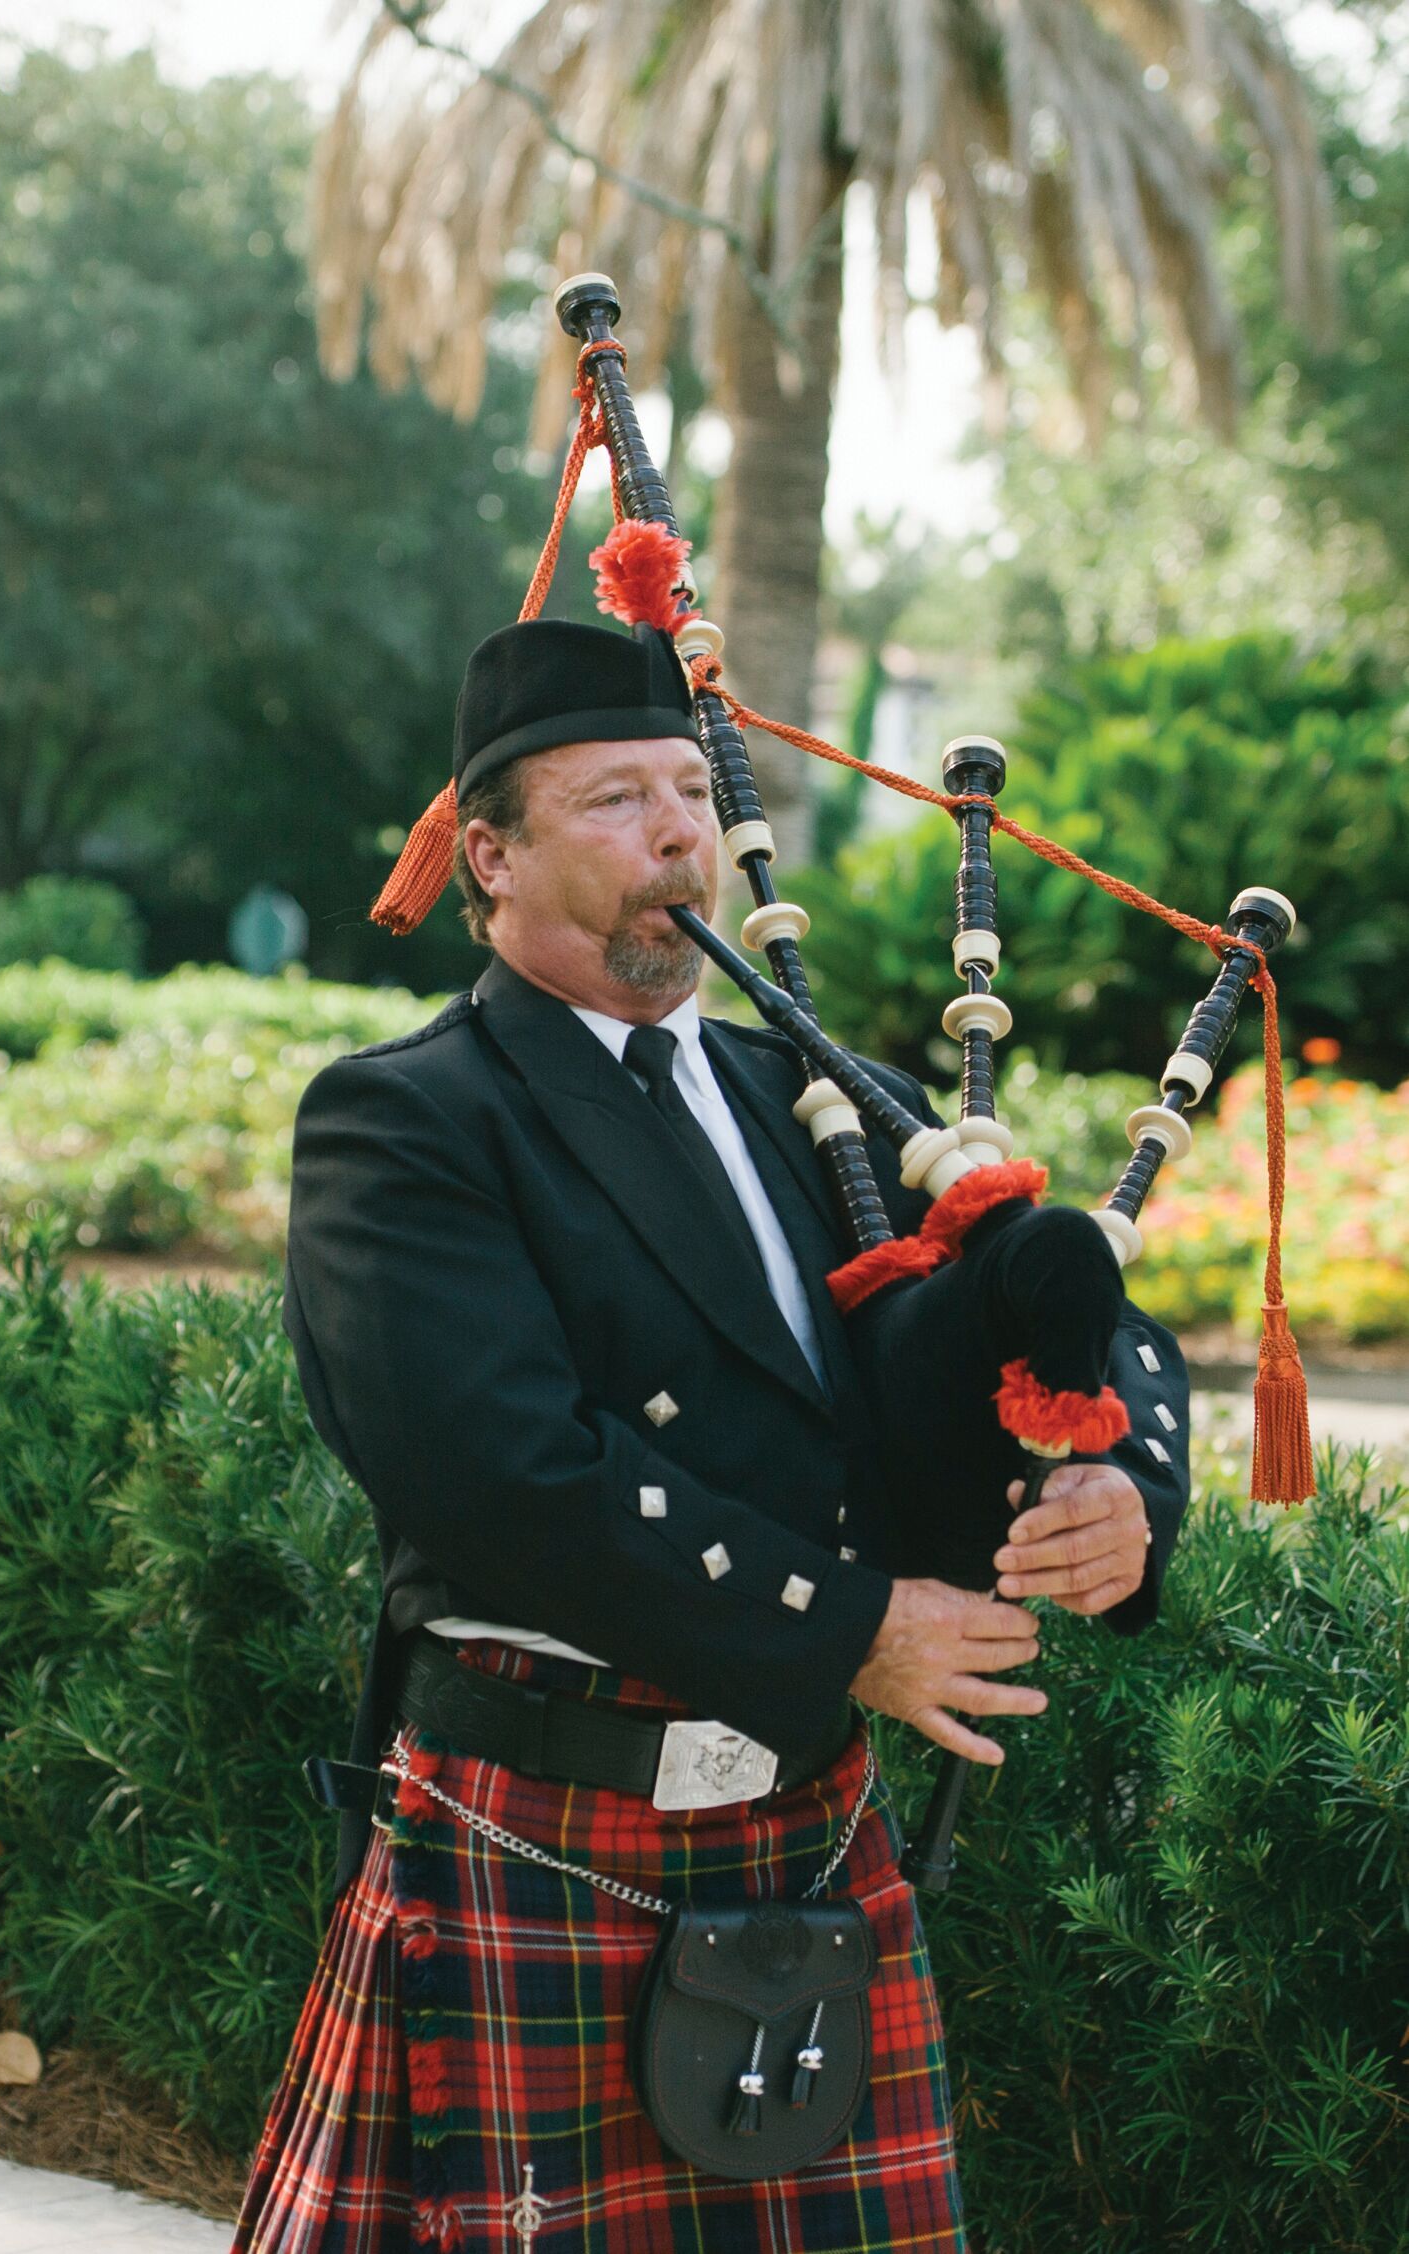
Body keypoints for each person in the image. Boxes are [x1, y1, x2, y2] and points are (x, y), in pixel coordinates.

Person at [230, 616, 1187, 2254]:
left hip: (805, 1837)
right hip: (539, 1835)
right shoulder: (412, 1121)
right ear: (490, 855)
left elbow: (1076, 1317)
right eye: (616, 800)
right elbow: (507, 1480)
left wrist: (1119, 1476)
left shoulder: (807, 1098)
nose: (680, 832)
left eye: (691, 791)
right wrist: (856, 1625)